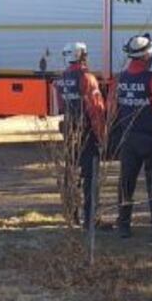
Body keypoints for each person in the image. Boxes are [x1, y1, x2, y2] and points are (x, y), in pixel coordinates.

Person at [111, 33, 152, 243]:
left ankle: (123, 225)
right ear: (147, 55)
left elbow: (112, 109)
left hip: (128, 139)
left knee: (126, 183)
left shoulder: (119, 79)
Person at [55, 42, 106, 228]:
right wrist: (101, 135)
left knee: (71, 172)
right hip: (87, 130)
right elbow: (96, 109)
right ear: (83, 56)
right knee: (90, 176)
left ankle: (72, 215)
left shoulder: (61, 79)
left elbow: (61, 106)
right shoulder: (87, 78)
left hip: (69, 128)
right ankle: (91, 219)